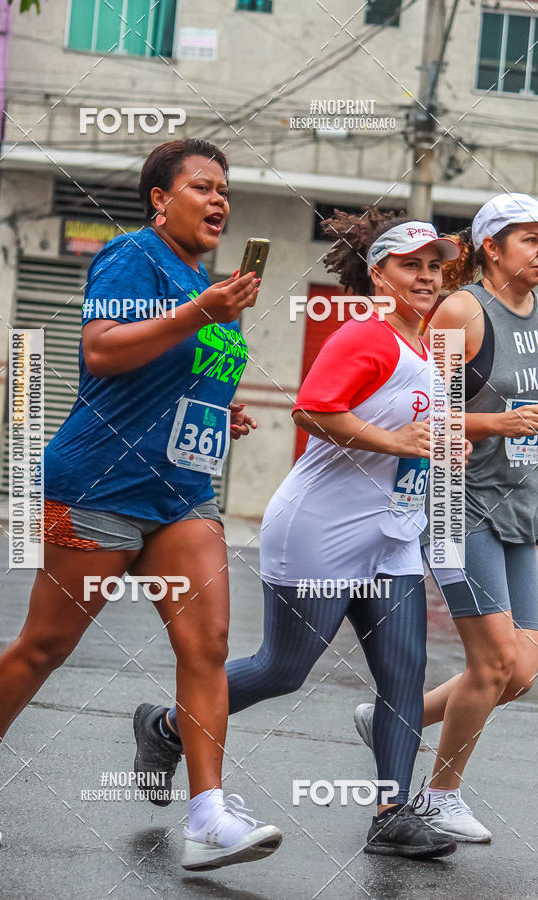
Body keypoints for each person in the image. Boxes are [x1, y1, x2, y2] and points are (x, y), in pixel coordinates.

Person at [0, 138, 283, 872]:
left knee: (208, 647)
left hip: (180, 492)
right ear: (160, 199)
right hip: (97, 484)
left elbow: (171, 375)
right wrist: (201, 312)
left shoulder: (206, 280)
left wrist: (221, 411)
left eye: (225, 187)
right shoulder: (136, 257)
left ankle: (208, 814)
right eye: (201, 186)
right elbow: (102, 351)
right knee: (47, 645)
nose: (219, 199)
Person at [133, 208, 461, 859]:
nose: (425, 277)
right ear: (378, 275)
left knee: (404, 672)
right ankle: (166, 726)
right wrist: (392, 439)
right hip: (321, 529)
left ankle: (392, 814)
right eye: (410, 265)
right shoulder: (364, 335)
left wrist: (444, 447)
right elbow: (314, 408)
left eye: (434, 266)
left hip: (392, 531)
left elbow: (418, 429)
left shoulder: (432, 346)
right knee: (284, 670)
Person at [355, 192, 538, 843]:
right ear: (492, 247)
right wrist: (498, 422)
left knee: (521, 669)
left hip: (525, 506)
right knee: (492, 664)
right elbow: (424, 409)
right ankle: (438, 796)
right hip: (461, 507)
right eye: (529, 239)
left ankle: (392, 718)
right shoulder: (465, 311)